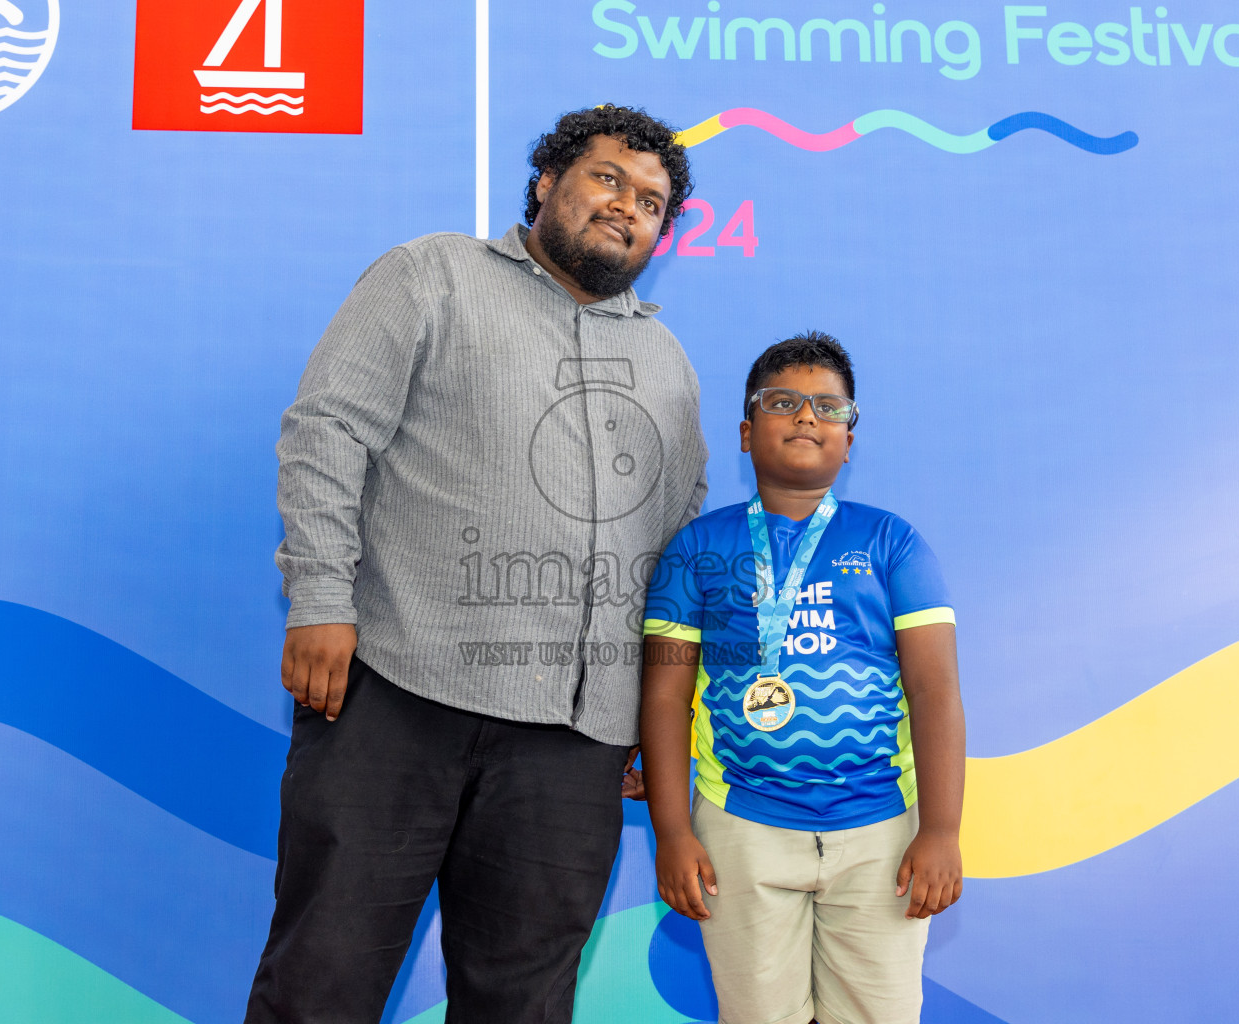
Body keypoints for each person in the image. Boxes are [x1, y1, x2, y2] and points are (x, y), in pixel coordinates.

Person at [244, 105, 707, 1024]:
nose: (627, 209)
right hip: (393, 697)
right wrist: (320, 600)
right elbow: (328, 433)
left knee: (523, 1005)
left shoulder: (667, 362)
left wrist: (646, 713)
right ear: (546, 183)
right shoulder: (433, 276)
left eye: (651, 203)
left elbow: (671, 543)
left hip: (573, 743)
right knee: (322, 983)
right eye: (608, 179)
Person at [639, 332, 965, 1024]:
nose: (807, 417)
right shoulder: (697, 547)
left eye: (828, 407)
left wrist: (940, 831)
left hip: (879, 830)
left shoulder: (892, 544)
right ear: (746, 430)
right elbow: (665, 696)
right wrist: (672, 830)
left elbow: (934, 692)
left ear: (850, 437)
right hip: (739, 828)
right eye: (782, 402)